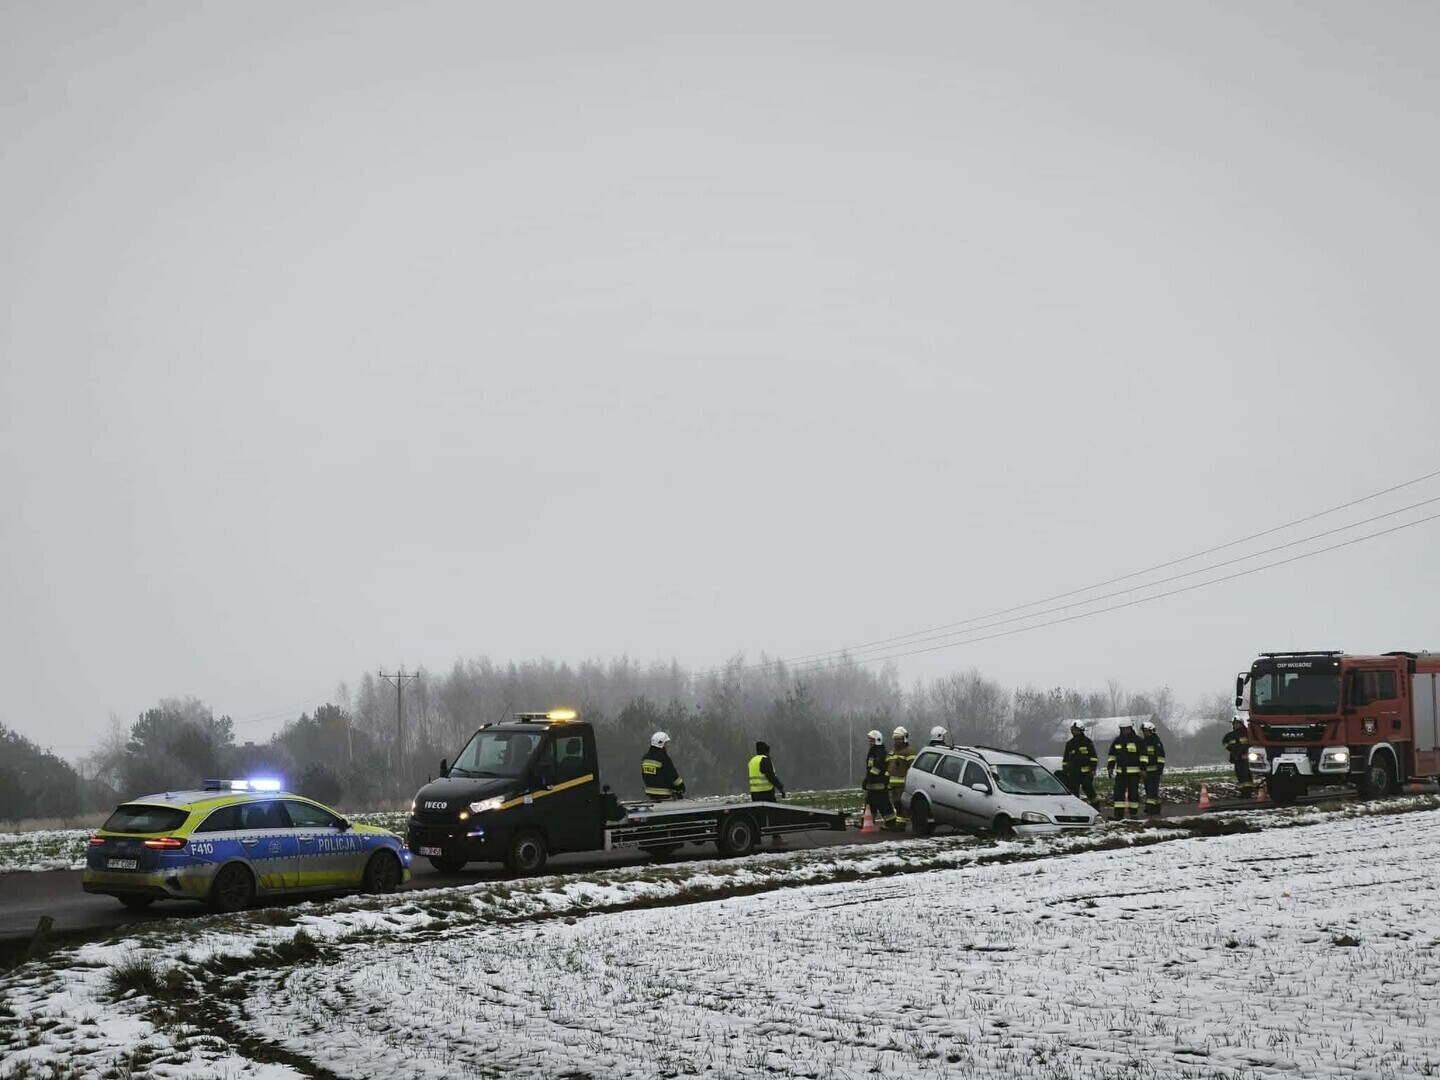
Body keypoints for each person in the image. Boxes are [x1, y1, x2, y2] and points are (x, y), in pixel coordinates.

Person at [1106, 720, 1144, 821]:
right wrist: (1110, 767)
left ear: (1131, 729)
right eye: (1123, 729)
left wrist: (1143, 770)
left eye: (1127, 729)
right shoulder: (1117, 741)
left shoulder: (1138, 741)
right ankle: (1118, 815)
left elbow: (1143, 757)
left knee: (1133, 794)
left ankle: (1133, 814)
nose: (1125, 731)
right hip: (1120, 773)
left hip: (1134, 774)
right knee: (1118, 794)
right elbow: (1112, 756)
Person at [862, 729, 897, 829]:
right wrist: (868, 780)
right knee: (870, 804)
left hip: (879, 785)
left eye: (871, 741)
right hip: (873, 785)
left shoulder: (880, 752)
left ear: (877, 740)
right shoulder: (874, 751)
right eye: (869, 740)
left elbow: (876, 769)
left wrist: (867, 779)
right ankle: (867, 822)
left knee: (884, 805)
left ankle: (891, 823)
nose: (870, 742)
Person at [640, 731, 686, 801]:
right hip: (664, 795)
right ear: (661, 744)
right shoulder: (663, 758)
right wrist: (681, 787)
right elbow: (673, 776)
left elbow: (644, 776)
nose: (667, 746)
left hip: (650, 795)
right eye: (666, 743)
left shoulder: (645, 758)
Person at [1061, 722, 1099, 804]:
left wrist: (1093, 769)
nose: (1074, 732)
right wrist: (1065, 771)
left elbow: (1093, 757)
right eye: (1073, 730)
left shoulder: (1087, 742)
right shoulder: (1070, 744)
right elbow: (1066, 759)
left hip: (1086, 774)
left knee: (1090, 791)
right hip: (1073, 774)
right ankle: (1076, 809)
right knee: (1074, 793)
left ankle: (1096, 808)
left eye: (1076, 730)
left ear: (1081, 730)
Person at [887, 726, 917, 827]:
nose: (897, 742)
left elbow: (912, 769)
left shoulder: (909, 752)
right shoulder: (893, 752)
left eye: (899, 739)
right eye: (895, 739)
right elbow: (889, 767)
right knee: (896, 804)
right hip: (893, 785)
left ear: (905, 738)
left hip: (903, 785)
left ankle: (901, 825)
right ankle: (899, 823)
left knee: (901, 804)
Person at [1139, 720, 1166, 816]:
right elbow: (1142, 757)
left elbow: (1161, 757)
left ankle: (1150, 809)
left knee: (1151, 791)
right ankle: (1156, 808)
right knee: (1150, 791)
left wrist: (1159, 769)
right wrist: (1142, 770)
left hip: (1155, 772)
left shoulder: (1156, 742)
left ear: (1152, 731)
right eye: (1144, 731)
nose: (1145, 733)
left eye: (1146, 731)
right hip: (1146, 772)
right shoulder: (1143, 742)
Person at [1223, 716, 1254, 799]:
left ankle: (1248, 792)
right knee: (1239, 775)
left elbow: (1252, 744)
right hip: (1236, 758)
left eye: (1237, 723)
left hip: (1246, 757)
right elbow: (1225, 744)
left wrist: (1247, 753)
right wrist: (1233, 753)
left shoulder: (1248, 733)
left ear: (1241, 723)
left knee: (1246, 774)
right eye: (1234, 724)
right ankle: (1243, 792)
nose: (1235, 725)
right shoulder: (1229, 735)